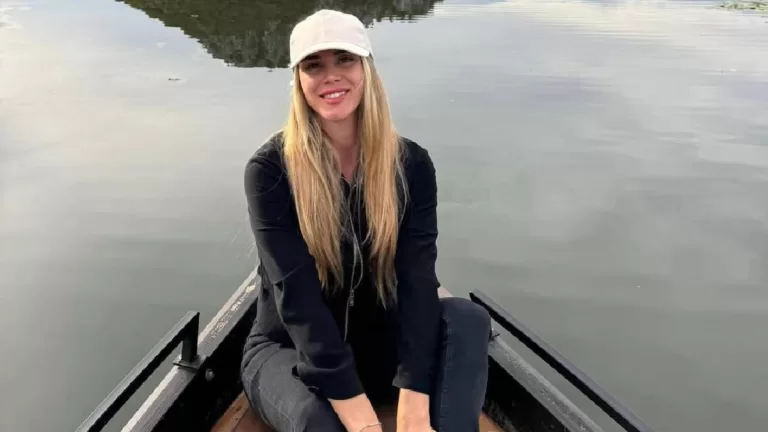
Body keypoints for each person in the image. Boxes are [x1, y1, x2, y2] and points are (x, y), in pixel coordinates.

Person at [240, 9, 491, 432]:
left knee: (468, 320)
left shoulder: (411, 164)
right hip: (291, 351)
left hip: (379, 348)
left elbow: (417, 281)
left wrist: (413, 408)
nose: (331, 76)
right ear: (298, 81)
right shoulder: (270, 172)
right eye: (314, 65)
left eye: (345, 59)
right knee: (317, 423)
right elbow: (298, 303)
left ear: (367, 69)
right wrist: (365, 425)